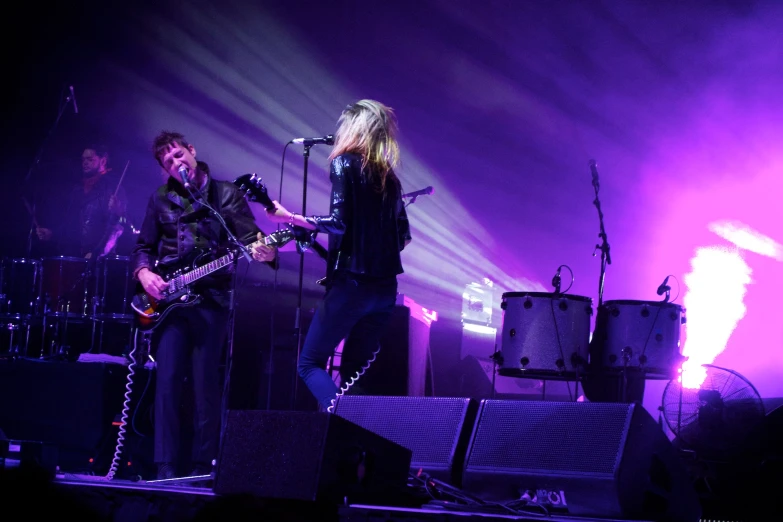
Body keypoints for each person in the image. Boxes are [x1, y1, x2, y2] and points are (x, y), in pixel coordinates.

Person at [130, 131, 278, 480]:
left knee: (205, 387)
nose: (175, 163)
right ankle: (165, 468)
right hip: (168, 304)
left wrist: (266, 250)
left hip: (211, 300)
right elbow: (143, 246)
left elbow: (250, 239)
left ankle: (202, 467)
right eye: (168, 162)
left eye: (179, 155)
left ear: (192, 151)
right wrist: (143, 273)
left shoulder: (226, 194)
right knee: (166, 384)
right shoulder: (160, 198)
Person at [265, 100, 412, 412]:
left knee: (309, 364)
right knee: (353, 374)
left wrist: (288, 217)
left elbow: (340, 222)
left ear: (353, 129)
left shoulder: (344, 163)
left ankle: (349, 426)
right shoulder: (390, 177)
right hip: (385, 291)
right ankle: (360, 449)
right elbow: (403, 237)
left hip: (352, 287)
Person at [35, 144, 129, 258]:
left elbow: (117, 228)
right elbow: (71, 223)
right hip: (74, 254)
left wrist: (97, 253)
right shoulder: (78, 188)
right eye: (83, 159)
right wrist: (52, 233)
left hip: (99, 258)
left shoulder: (113, 187)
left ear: (103, 161)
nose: (85, 162)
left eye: (90, 159)